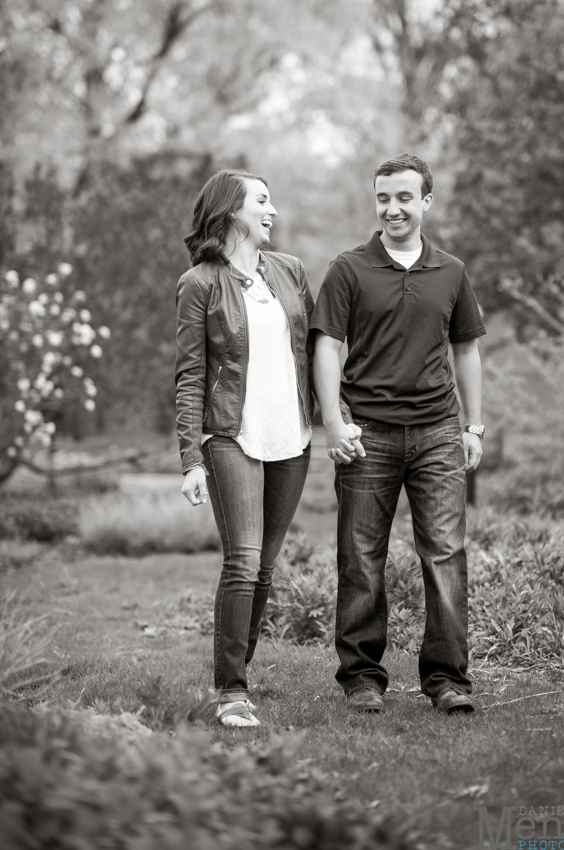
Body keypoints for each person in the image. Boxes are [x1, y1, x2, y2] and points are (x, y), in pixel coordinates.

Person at [311, 152, 486, 715]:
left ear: (426, 201)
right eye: (384, 198)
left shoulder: (452, 271)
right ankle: (361, 677)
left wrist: (473, 425)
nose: (393, 209)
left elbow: (467, 349)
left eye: (405, 198)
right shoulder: (348, 268)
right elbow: (325, 347)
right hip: (368, 435)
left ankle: (447, 679)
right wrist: (334, 422)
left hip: (438, 431)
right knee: (360, 557)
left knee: (446, 553)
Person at [175, 169, 313, 727]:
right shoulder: (200, 282)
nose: (272, 209)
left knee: (266, 568)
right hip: (231, 434)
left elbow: (315, 352)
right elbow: (189, 376)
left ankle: (240, 672)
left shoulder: (291, 272)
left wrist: (338, 418)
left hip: (292, 436)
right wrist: (191, 459)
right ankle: (230, 691)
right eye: (262, 201)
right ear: (233, 212)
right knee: (244, 561)